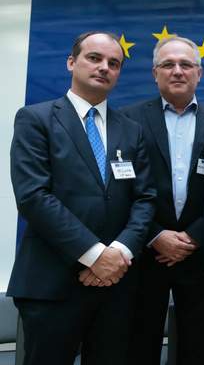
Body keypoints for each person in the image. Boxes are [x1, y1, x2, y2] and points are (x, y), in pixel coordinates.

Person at [7, 31, 156, 364]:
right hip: (52, 284)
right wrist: (93, 255)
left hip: (116, 286)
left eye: (113, 63)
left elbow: (145, 199)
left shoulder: (132, 130)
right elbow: (34, 196)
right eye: (94, 58)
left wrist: (118, 252)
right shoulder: (36, 119)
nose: (104, 67)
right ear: (71, 62)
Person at [120, 36, 204, 365]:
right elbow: (119, 191)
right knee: (138, 344)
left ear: (199, 73)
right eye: (168, 65)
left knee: (197, 347)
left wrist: (195, 236)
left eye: (186, 65)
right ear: (154, 73)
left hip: (199, 255)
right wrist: (155, 236)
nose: (177, 71)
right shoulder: (126, 120)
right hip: (144, 255)